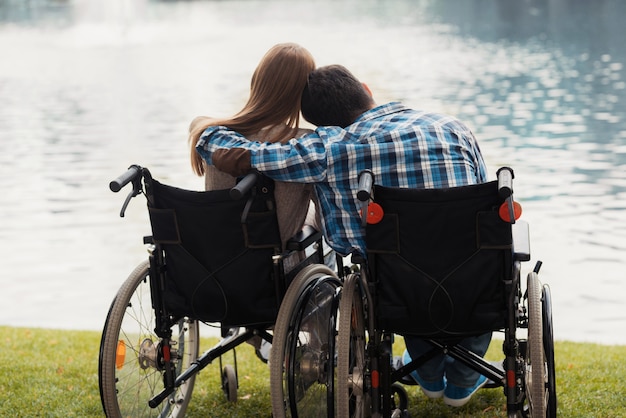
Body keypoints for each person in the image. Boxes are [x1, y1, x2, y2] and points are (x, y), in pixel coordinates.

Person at [196, 64, 490, 407]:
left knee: (398, 269)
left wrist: (206, 135)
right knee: (470, 261)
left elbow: (251, 155)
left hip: (399, 290)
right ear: (365, 87)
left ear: (326, 125)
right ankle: (462, 379)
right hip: (477, 280)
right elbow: (483, 197)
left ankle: (429, 375)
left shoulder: (331, 147)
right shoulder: (452, 128)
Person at [187, 42, 318, 254]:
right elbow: (324, 221)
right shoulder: (305, 144)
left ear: (257, 80)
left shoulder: (214, 133)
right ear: (303, 94)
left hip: (217, 260)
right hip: (278, 266)